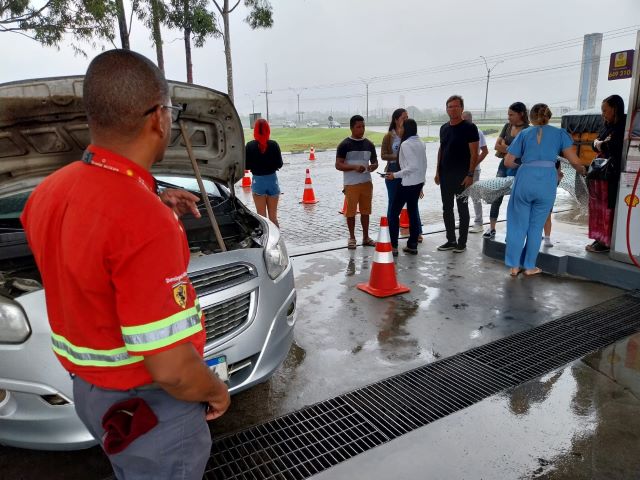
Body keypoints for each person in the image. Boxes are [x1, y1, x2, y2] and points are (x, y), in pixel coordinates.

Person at [20, 50, 230, 479]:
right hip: (151, 409)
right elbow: (171, 368)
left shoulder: (47, 193)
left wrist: (150, 200)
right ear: (158, 117)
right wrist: (215, 391)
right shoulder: (143, 221)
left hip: (91, 395)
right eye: (171, 110)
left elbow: (92, 240)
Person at [504, 103, 586, 276]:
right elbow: (575, 161)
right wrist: (583, 171)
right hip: (547, 182)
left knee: (518, 225)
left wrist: (526, 163)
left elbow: (508, 162)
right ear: (548, 116)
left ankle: (514, 266)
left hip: (525, 179)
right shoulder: (559, 134)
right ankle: (530, 266)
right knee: (536, 226)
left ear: (531, 118)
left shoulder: (524, 134)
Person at [435, 95, 479, 253]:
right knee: (447, 208)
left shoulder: (469, 128)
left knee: (462, 209)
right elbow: (442, 149)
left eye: (455, 106)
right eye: (449, 106)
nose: (452, 109)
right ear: (446, 109)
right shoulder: (444, 128)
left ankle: (462, 242)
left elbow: (474, 153)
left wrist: (470, 174)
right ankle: (451, 240)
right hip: (445, 175)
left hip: (462, 177)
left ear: (461, 108)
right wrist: (437, 172)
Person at [586, 94, 626, 253]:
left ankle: (606, 241)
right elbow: (594, 144)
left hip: (611, 175)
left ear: (615, 109)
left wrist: (601, 144)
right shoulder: (607, 126)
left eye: (605, 110)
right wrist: (600, 144)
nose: (603, 113)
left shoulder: (622, 126)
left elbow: (613, 147)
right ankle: (598, 237)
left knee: (608, 208)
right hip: (599, 175)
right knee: (597, 207)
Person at [484, 102, 530, 239]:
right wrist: (511, 149)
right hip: (503, 165)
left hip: (519, 167)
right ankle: (492, 228)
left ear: (521, 114)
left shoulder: (528, 130)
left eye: (511, 114)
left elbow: (525, 152)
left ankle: (514, 230)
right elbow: (497, 146)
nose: (508, 117)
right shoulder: (507, 126)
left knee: (517, 200)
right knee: (497, 195)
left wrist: (506, 147)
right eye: (508, 114)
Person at [335, 115, 379, 249]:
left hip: (366, 182)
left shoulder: (369, 144)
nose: (362, 129)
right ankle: (352, 237)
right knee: (351, 212)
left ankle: (366, 237)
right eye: (358, 127)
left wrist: (373, 167)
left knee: (366, 211)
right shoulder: (344, 145)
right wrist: (354, 167)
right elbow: (338, 165)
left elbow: (375, 162)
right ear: (351, 128)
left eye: (363, 126)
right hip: (351, 184)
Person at [386, 119, 428, 255]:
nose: (401, 129)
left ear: (407, 129)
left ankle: (393, 246)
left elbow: (412, 167)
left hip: (407, 183)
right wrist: (422, 183)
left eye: (403, 127)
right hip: (418, 183)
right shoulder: (421, 142)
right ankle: (412, 245)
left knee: (393, 213)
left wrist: (395, 175)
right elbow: (423, 164)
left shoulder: (405, 144)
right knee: (412, 211)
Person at [245, 118, 283, 227]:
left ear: (255, 130)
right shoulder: (274, 145)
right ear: (268, 130)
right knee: (273, 218)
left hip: (258, 181)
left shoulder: (250, 146)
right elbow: (279, 164)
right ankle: (277, 241)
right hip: (272, 180)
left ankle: (266, 241)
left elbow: (246, 166)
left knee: (262, 218)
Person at [462, 111, 489, 233]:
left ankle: (479, 222)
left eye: (465, 120)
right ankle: (464, 220)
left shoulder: (477, 132)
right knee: (461, 196)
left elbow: (485, 151)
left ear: (471, 120)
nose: (463, 122)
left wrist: (474, 164)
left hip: (474, 171)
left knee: (475, 195)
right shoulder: (459, 132)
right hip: (460, 170)